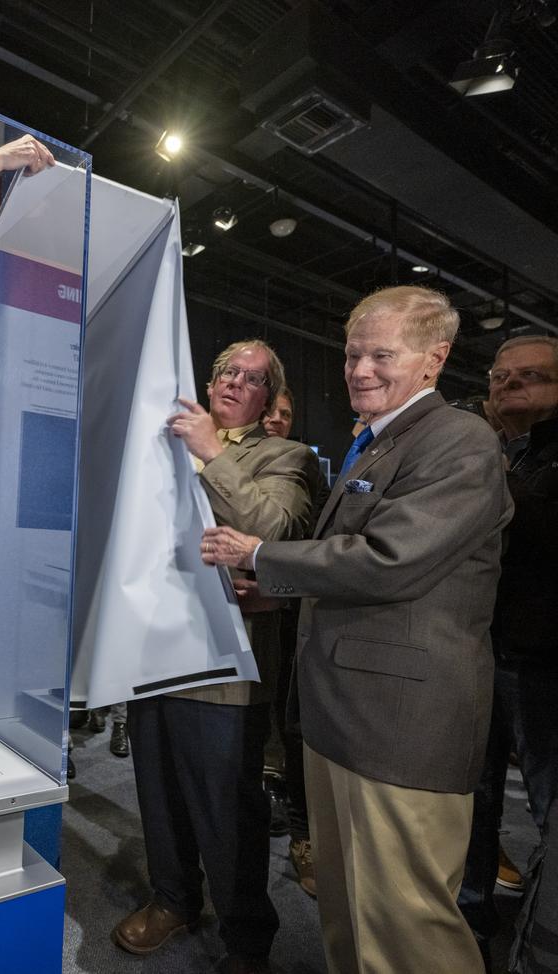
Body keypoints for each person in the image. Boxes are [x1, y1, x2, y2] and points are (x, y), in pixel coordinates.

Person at [202, 286, 513, 974]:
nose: (360, 369)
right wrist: (279, 584)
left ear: (435, 359)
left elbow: (389, 559)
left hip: (403, 729)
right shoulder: (378, 442)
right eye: (352, 353)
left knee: (406, 931)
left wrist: (257, 555)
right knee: (348, 914)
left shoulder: (459, 439)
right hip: (345, 718)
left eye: (381, 354)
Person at [111, 340, 320, 974]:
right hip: (152, 648)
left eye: (253, 379)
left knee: (226, 808)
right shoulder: (162, 441)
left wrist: (209, 451)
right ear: (210, 380)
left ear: (268, 396)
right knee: (159, 792)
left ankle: (246, 938)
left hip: (224, 663)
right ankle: (174, 899)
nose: (235, 384)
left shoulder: (288, 455)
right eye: (228, 372)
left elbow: (277, 531)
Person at [458, 335, 558, 968]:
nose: (508, 385)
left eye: (531, 376)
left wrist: (483, 467)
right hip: (479, 649)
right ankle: (469, 916)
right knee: (474, 794)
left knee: (549, 810)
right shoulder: (502, 450)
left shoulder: (518, 461)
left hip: (544, 663)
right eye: (499, 375)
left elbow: (540, 528)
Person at [259, 387, 318, 896]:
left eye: (287, 412)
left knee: (291, 729)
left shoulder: (297, 463)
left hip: (291, 616)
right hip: (255, 617)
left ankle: (303, 838)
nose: (277, 419)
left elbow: (285, 535)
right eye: (272, 411)